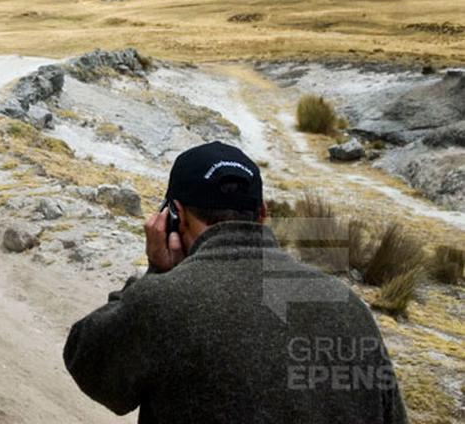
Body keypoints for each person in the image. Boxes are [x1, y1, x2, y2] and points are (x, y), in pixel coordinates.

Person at [63, 141, 406, 423]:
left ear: (174, 216)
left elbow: (87, 361)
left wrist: (158, 272)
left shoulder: (162, 302)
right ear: (262, 213)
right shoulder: (347, 304)